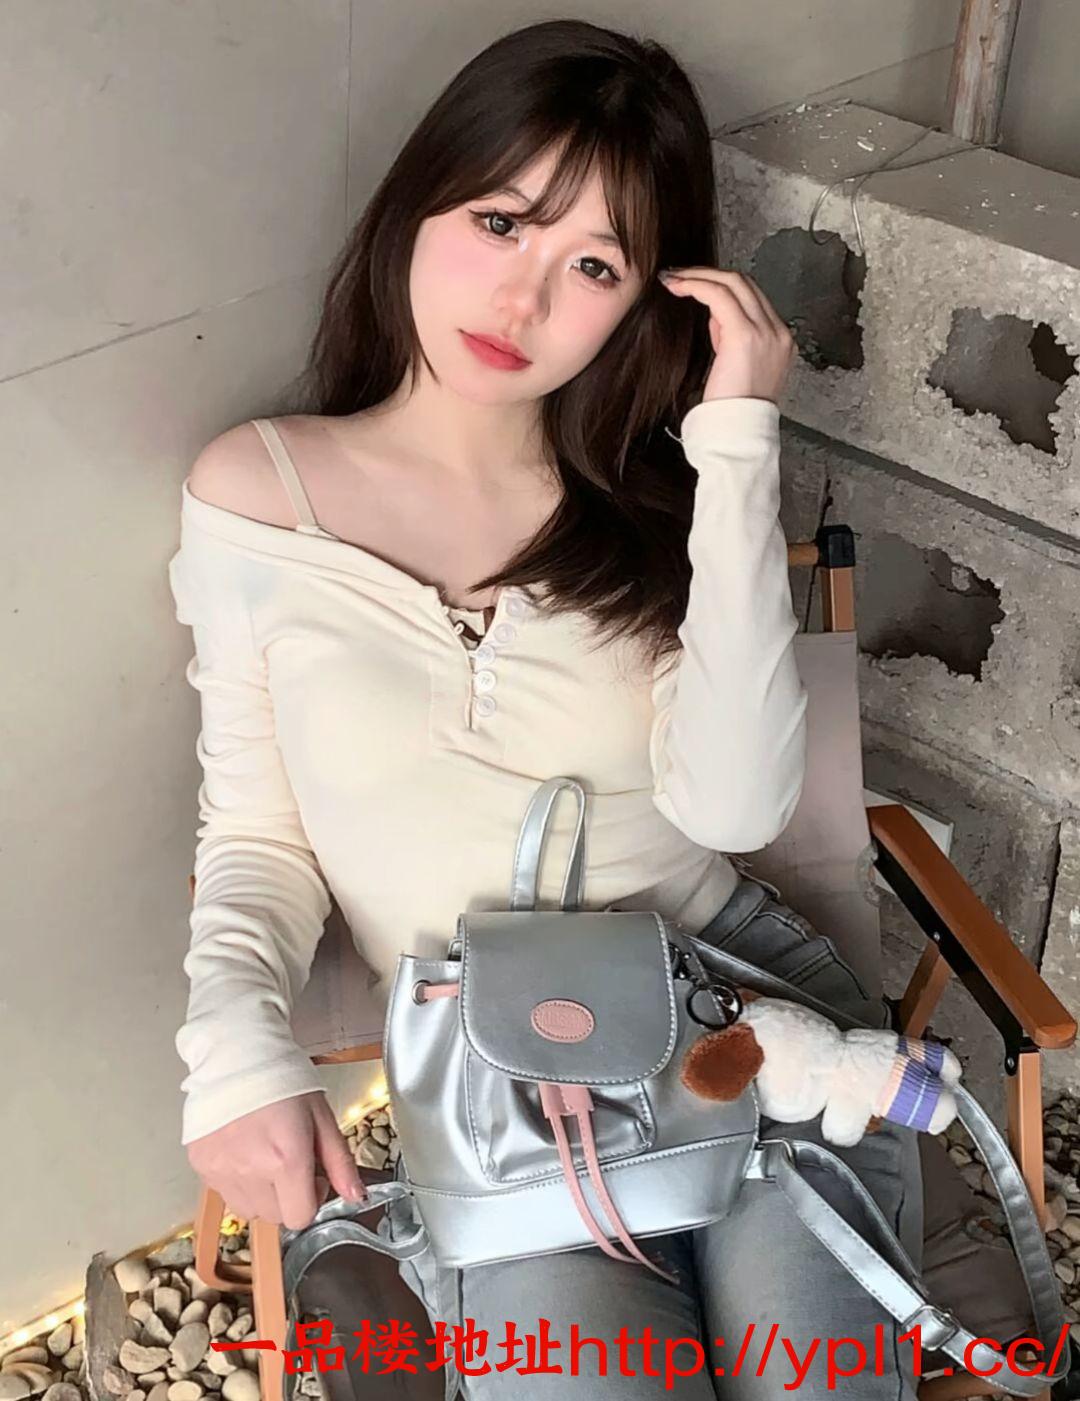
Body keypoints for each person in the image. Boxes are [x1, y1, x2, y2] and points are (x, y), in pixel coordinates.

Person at [167, 18, 925, 1397]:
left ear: (646, 302)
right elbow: (259, 837)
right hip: (491, 1070)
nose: (520, 300)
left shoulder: (659, 507)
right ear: (418, 202)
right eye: (500, 221)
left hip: (752, 1019)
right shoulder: (259, 495)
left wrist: (739, 440)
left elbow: (736, 807)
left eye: (593, 266)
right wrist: (232, 1056)